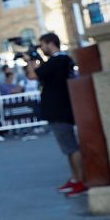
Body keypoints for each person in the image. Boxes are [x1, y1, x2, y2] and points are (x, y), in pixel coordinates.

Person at [25, 33, 86, 197]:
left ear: (51, 43)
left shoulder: (57, 60)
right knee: (68, 148)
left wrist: (29, 60)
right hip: (61, 109)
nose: (42, 48)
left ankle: (80, 181)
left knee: (71, 147)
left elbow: (32, 75)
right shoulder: (60, 61)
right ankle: (75, 179)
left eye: (43, 45)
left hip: (59, 110)